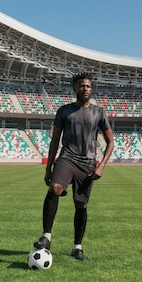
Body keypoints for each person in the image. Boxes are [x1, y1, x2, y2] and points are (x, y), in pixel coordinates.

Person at [33, 73, 114, 261]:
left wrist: (101, 166)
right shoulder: (64, 111)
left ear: (91, 89)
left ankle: (77, 247)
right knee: (55, 188)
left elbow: (110, 142)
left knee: (81, 205)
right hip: (67, 157)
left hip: (87, 164)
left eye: (87, 86)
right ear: (74, 89)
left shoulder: (99, 113)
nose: (84, 88)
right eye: (81, 86)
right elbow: (55, 141)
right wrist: (48, 168)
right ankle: (46, 237)